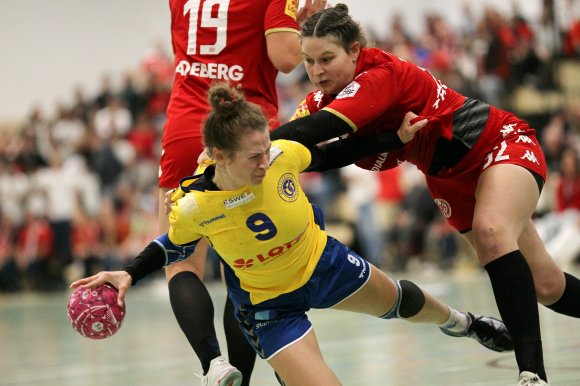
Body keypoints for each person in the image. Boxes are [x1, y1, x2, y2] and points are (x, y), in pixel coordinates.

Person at [72, 83, 513, 386]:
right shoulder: (193, 205)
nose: (265, 161)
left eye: (267, 148)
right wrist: (129, 273)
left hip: (325, 264)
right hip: (271, 308)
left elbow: (336, 152)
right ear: (219, 157)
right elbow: (174, 244)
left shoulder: (280, 156)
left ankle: (464, 323)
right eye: (253, 157)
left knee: (401, 301)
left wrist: (391, 137)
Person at [269, 4, 580, 385]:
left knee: (491, 232)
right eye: (308, 61)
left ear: (355, 50)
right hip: (446, 178)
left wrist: (246, 147)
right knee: (547, 286)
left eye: (327, 59)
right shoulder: (321, 100)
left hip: (496, 144)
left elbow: (313, 133)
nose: (316, 72)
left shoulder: (379, 74)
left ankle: (532, 375)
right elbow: (312, 153)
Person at [159, 1, 326, 385]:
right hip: (244, 134)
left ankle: (213, 365)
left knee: (181, 261)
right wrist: (304, 18)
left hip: (186, 127)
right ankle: (246, 376)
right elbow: (285, 58)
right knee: (244, 270)